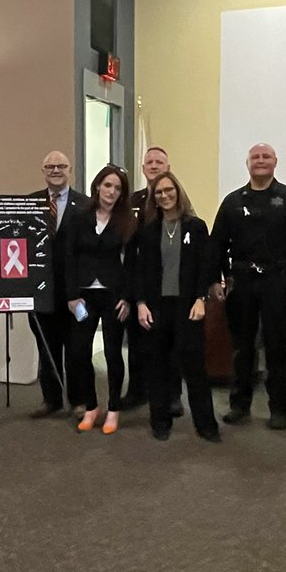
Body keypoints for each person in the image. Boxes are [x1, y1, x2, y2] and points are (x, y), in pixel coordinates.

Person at [211, 143, 286, 430]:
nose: (260, 161)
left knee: (276, 347)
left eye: (265, 156)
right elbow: (217, 245)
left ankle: (278, 409)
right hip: (241, 281)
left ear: (275, 162)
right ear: (247, 164)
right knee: (242, 348)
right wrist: (215, 280)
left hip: (277, 282)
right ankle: (239, 405)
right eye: (255, 157)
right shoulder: (232, 202)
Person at [132, 171, 221, 442]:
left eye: (169, 190)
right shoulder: (148, 232)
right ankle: (160, 421)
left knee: (194, 367)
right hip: (157, 307)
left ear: (178, 192)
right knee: (157, 366)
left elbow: (204, 267)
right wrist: (141, 303)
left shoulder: (196, 226)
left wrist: (200, 299)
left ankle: (206, 425)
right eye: (159, 192)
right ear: (154, 198)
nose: (165, 195)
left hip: (187, 306)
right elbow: (140, 271)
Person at [65, 165, 136, 434]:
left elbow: (131, 263)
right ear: (97, 186)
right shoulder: (79, 217)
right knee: (79, 352)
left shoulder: (127, 220)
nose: (112, 191)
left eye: (117, 188)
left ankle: (114, 409)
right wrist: (71, 296)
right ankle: (92, 406)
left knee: (112, 353)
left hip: (113, 295)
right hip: (83, 297)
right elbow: (69, 258)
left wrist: (128, 298)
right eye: (108, 185)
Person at [27, 150, 89, 418]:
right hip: (41, 292)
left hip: (75, 293)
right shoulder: (29, 204)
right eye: (49, 166)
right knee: (46, 347)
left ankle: (78, 401)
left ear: (70, 170)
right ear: (43, 171)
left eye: (61, 166)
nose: (55, 170)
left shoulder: (86, 205)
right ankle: (51, 399)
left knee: (76, 349)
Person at [122, 145, 182, 415]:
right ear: (143, 168)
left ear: (167, 168)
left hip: (167, 283)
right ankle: (137, 391)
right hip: (137, 278)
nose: (154, 166)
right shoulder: (130, 201)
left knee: (170, 343)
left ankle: (173, 396)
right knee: (136, 341)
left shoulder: (174, 200)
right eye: (149, 162)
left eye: (160, 162)